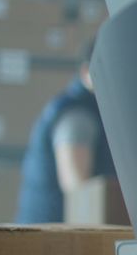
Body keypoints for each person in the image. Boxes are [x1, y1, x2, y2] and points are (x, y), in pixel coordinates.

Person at [16, 37, 115, 223]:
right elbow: (78, 190)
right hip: (51, 238)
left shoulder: (91, 109)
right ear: (86, 71)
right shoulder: (77, 116)